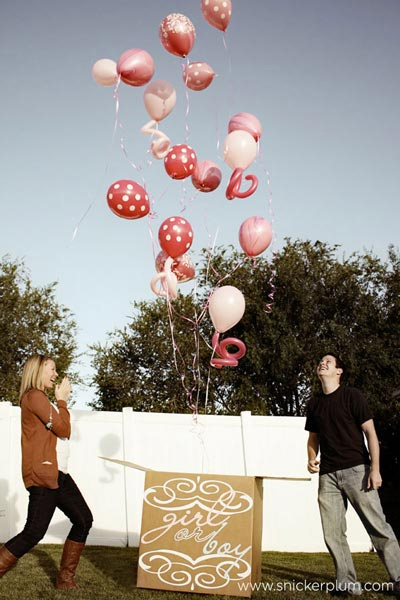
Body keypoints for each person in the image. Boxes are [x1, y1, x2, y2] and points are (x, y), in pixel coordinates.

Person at [305, 353, 400, 596]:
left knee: (377, 526)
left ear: (339, 371)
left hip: (357, 471)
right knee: (333, 533)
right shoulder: (314, 403)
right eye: (321, 361)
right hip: (328, 476)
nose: (322, 363)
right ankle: (347, 584)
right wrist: (310, 458)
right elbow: (312, 438)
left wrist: (375, 470)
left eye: (328, 361)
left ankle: (398, 577)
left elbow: (371, 433)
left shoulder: (352, 396)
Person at [0, 354, 93, 589]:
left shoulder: (42, 400)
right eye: (52, 369)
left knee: (83, 520)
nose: (55, 374)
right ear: (38, 370)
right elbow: (63, 429)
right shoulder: (34, 396)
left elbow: (62, 428)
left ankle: (65, 579)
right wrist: (62, 400)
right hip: (44, 475)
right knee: (33, 533)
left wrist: (60, 403)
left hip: (59, 474)